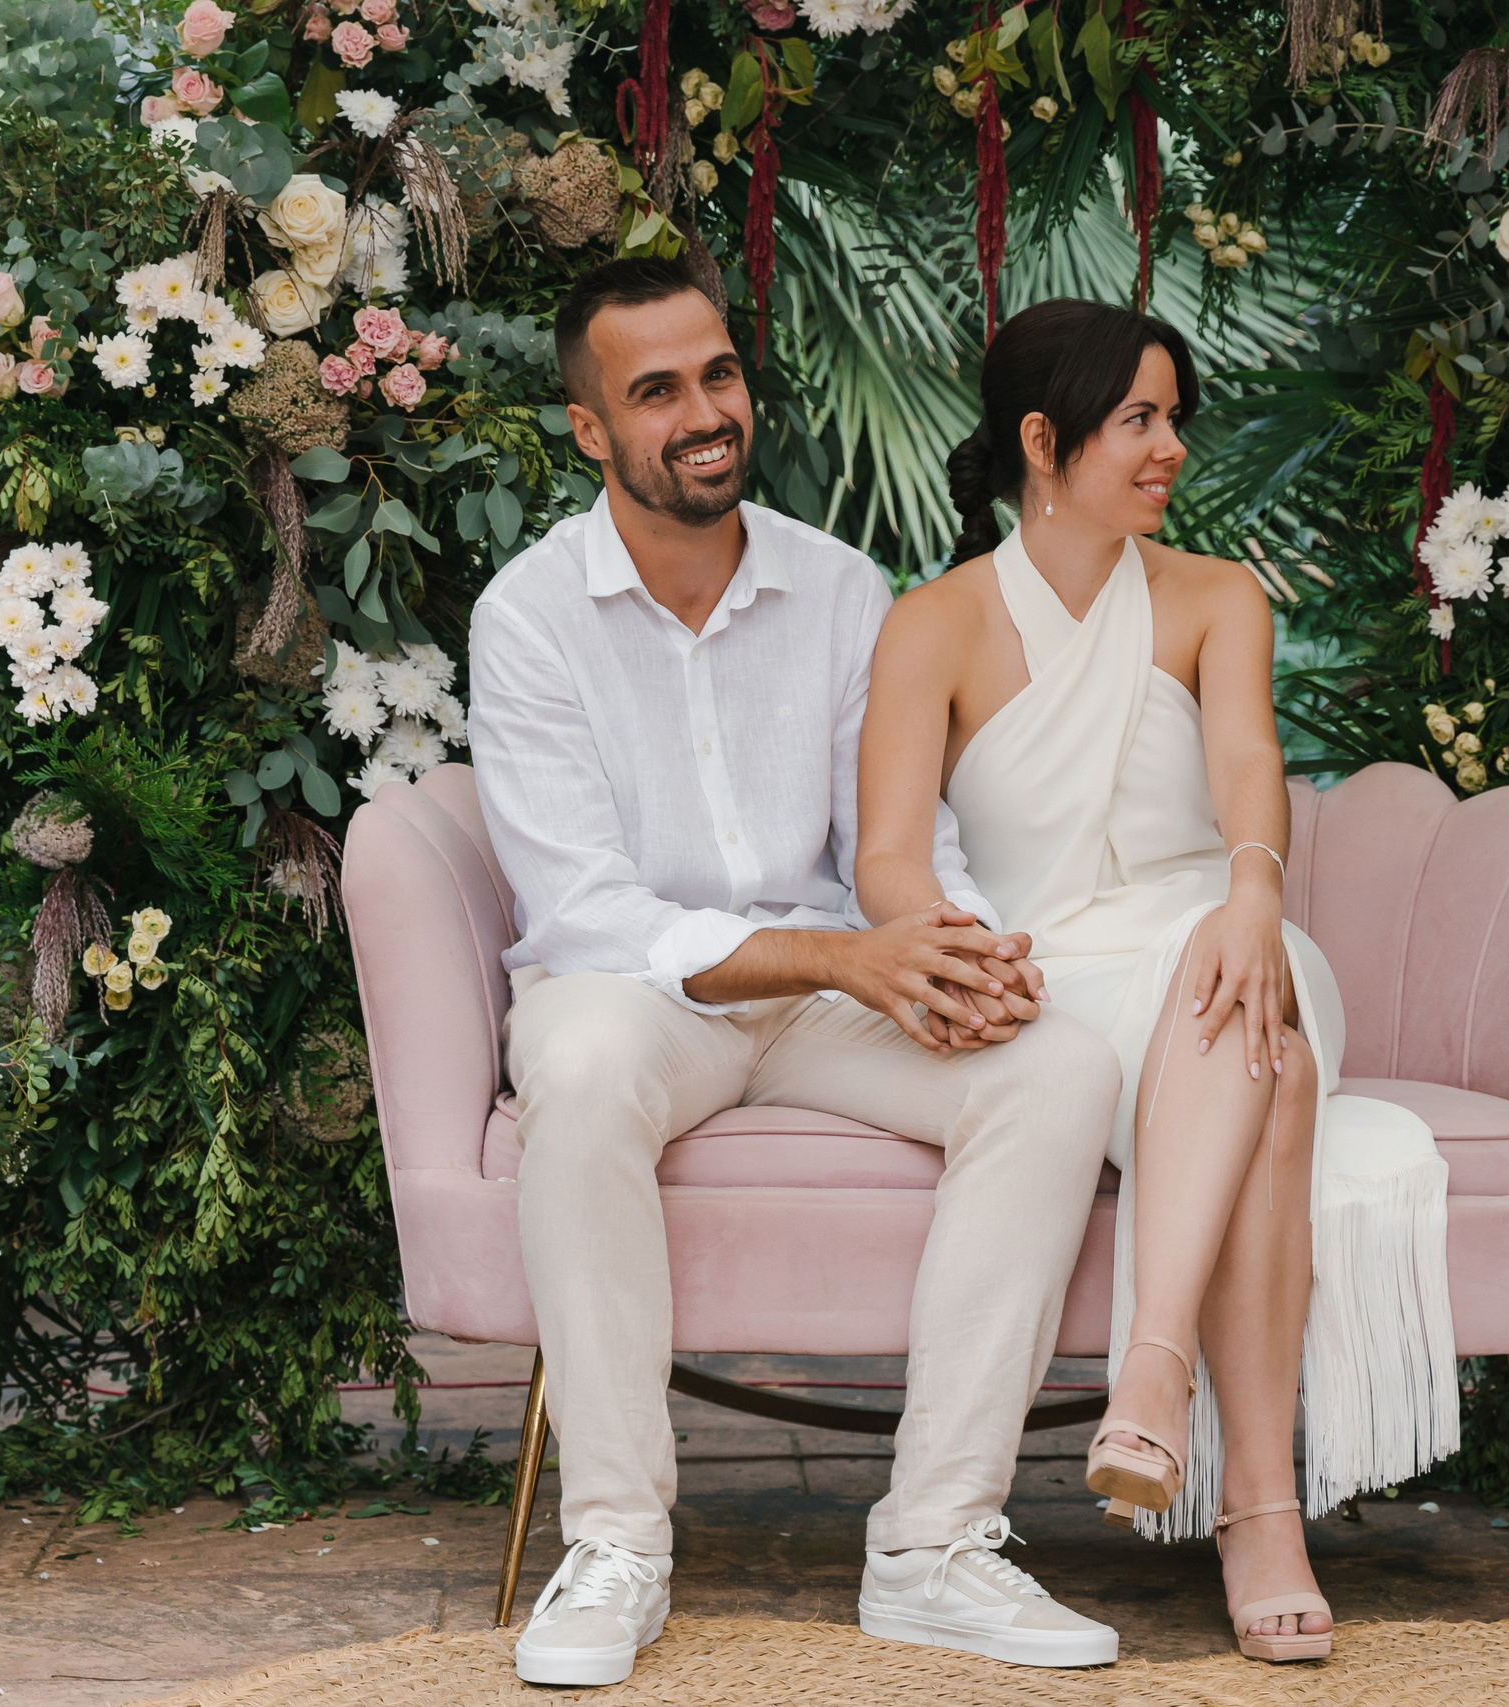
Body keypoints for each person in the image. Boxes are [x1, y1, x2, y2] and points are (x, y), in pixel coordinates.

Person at [465, 257, 1124, 1687]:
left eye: (717, 374)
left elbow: (898, 830)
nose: (703, 412)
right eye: (655, 392)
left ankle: (936, 1544)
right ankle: (620, 1544)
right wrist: (849, 955)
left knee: (1059, 1065)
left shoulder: (835, 588)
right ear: (590, 430)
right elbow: (587, 912)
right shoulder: (527, 618)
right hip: (639, 998)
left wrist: (960, 953)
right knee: (571, 1065)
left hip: (829, 991)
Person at [855, 299, 1459, 1665]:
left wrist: (1255, 894)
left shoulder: (1213, 597)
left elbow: (1249, 765)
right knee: (1276, 1072)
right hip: (1059, 975)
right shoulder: (932, 626)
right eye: (1141, 419)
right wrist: (954, 947)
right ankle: (1260, 1514)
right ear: (1042, 442)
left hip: (1234, 929)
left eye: (1173, 416)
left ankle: (1155, 1367)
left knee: (1241, 988)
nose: (1171, 446)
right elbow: (888, 859)